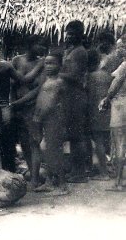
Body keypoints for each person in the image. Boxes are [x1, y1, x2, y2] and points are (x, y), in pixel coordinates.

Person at [0, 40, 43, 172]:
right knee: (7, 149)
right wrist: (39, 67)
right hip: (6, 110)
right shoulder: (5, 66)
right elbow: (23, 80)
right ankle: (9, 176)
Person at [30, 52, 69, 195]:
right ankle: (49, 181)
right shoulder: (47, 80)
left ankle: (62, 186)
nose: (48, 66)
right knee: (46, 150)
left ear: (60, 65)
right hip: (46, 120)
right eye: (46, 63)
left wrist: (38, 118)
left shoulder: (58, 82)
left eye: (52, 63)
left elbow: (50, 103)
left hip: (54, 120)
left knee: (54, 151)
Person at [10, 35, 47, 189]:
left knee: (34, 143)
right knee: (24, 143)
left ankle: (36, 179)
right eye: (40, 45)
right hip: (18, 108)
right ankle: (33, 174)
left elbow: (38, 90)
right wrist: (13, 103)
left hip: (32, 107)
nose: (43, 49)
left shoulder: (43, 64)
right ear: (31, 44)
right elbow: (12, 85)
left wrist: (18, 103)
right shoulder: (16, 60)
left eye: (45, 46)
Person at [59, 20, 89, 183]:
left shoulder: (79, 52)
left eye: (71, 33)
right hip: (69, 96)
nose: (68, 36)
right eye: (67, 32)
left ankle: (80, 173)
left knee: (77, 136)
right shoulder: (71, 51)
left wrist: (58, 72)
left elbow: (74, 76)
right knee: (72, 135)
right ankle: (76, 170)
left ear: (79, 35)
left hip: (76, 96)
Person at [99, 42, 126, 191]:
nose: (118, 49)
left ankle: (119, 182)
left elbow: (116, 84)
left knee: (119, 143)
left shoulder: (124, 66)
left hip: (121, 104)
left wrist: (107, 99)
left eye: (121, 46)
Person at [86, 49, 112, 180]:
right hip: (108, 111)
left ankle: (104, 173)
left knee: (99, 142)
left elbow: (90, 97)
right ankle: (109, 169)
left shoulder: (90, 77)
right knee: (108, 141)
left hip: (96, 112)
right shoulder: (107, 75)